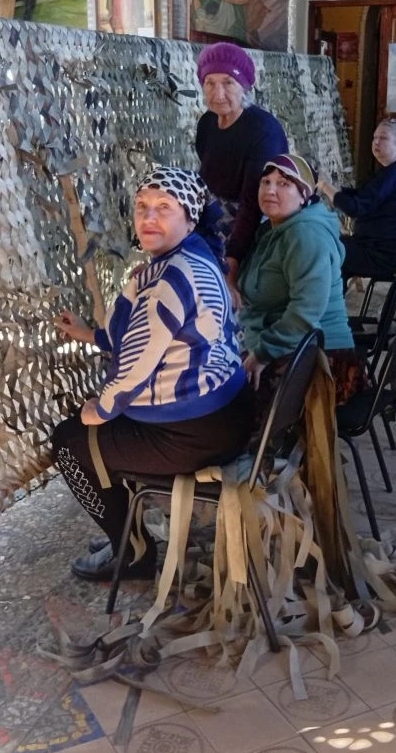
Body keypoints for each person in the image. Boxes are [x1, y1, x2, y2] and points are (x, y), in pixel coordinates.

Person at [52, 166, 253, 582]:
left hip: (193, 434)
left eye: (164, 208)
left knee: (71, 441)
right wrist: (89, 334)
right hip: (227, 415)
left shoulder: (168, 280)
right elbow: (146, 334)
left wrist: (100, 409)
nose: (149, 217)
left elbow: (136, 365)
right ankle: (125, 526)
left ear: (189, 219)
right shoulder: (197, 258)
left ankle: (131, 551)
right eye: (142, 206)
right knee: (105, 434)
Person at [238, 155, 363, 403]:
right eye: (265, 182)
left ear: (304, 195)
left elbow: (305, 312)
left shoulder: (305, 235)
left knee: (220, 395)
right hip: (289, 344)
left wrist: (261, 354)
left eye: (284, 184)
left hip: (322, 360)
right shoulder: (272, 230)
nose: (270, 190)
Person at [194, 42, 288, 303]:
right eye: (210, 83)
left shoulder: (263, 131)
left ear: (244, 86)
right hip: (213, 216)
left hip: (254, 223)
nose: (218, 94)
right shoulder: (207, 123)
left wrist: (231, 266)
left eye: (228, 83)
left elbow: (253, 205)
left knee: (225, 298)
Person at [317, 118, 396, 283]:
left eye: (383, 138)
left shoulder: (395, 174)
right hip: (387, 247)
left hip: (387, 255)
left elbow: (355, 208)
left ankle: (329, 299)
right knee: (332, 243)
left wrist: (324, 186)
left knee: (328, 249)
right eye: (374, 138)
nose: (376, 142)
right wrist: (337, 189)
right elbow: (365, 196)